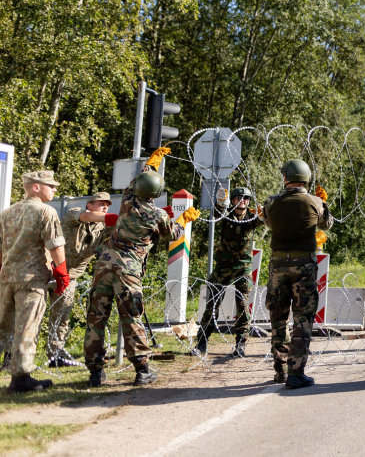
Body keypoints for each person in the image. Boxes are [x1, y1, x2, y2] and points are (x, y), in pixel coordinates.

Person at [84, 148, 200, 387]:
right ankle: (142, 370)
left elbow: (138, 180)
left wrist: (152, 163)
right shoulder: (157, 215)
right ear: (156, 194)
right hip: (128, 272)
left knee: (96, 318)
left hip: (104, 267)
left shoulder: (127, 200)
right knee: (131, 318)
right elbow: (174, 234)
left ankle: (95, 372)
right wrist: (184, 218)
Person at [263, 159, 333, 389]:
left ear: (286, 177)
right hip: (304, 265)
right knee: (302, 318)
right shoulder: (314, 201)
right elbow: (327, 225)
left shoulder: (272, 202)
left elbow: (269, 223)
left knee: (278, 318)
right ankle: (296, 371)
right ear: (306, 178)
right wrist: (324, 203)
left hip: (278, 264)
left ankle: (280, 369)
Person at [0, 171, 67, 392]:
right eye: (51, 185)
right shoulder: (46, 211)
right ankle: (20, 378)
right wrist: (62, 274)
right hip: (32, 280)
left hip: (7, 277)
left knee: (2, 327)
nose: (55, 189)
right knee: (26, 328)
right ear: (36, 187)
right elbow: (55, 245)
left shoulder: (7, 213)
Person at [195, 186, 264, 358]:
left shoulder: (251, 217)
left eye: (246, 198)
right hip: (223, 267)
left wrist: (265, 212)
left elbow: (262, 220)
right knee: (212, 304)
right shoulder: (227, 216)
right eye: (239, 198)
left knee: (242, 306)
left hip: (243, 267)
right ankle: (202, 342)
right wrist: (219, 203)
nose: (242, 201)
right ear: (232, 200)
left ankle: (240, 343)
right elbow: (218, 213)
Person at [46, 191, 113, 367]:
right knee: (33, 316)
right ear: (90, 205)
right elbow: (86, 216)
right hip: (47, 270)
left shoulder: (104, 227)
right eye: (101, 203)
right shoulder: (74, 213)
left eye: (107, 205)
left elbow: (129, 227)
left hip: (71, 276)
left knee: (61, 317)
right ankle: (17, 357)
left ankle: (55, 354)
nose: (105, 207)